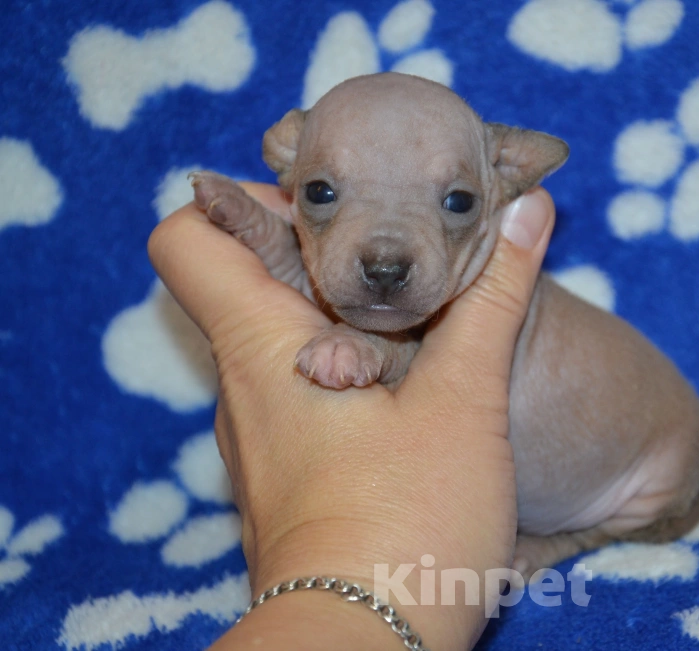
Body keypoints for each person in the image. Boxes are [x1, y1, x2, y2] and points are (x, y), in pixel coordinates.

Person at [148, 181, 556, 650]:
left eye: (456, 203)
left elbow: (410, 343)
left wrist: (345, 556)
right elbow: (302, 279)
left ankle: (590, 530)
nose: (384, 248)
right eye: (322, 193)